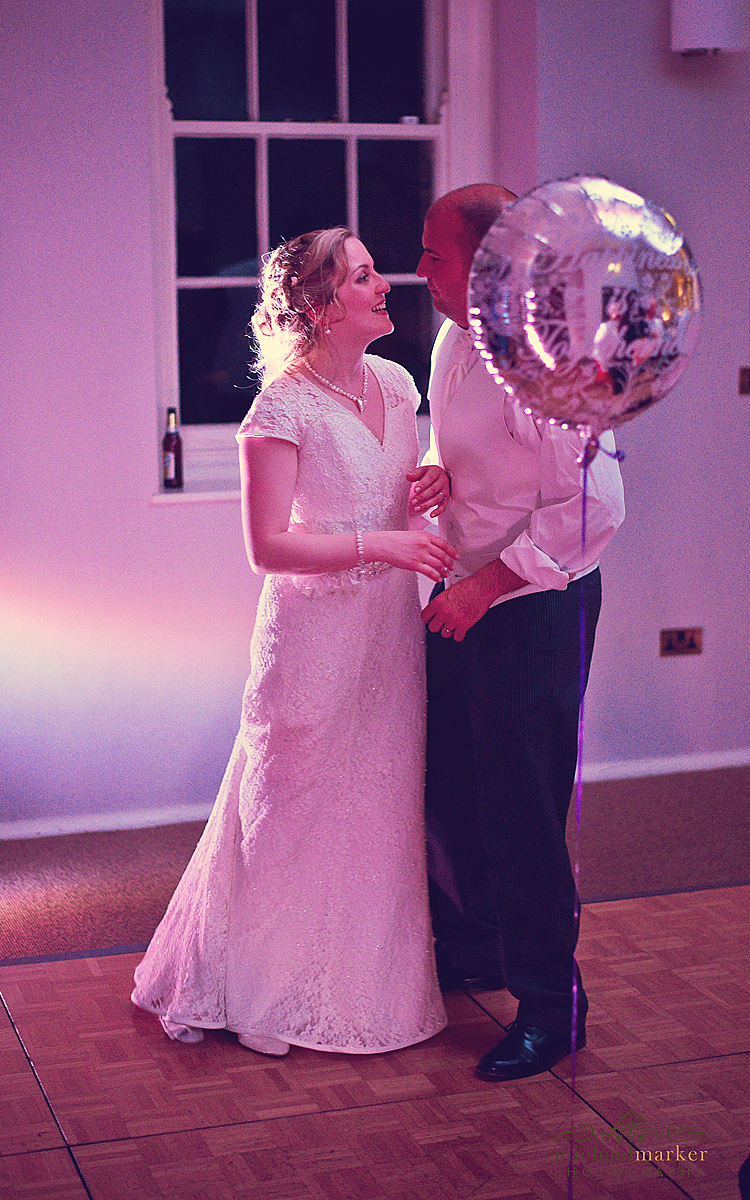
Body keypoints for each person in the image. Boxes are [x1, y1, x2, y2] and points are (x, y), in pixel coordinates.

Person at [132, 227, 457, 1057]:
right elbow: (268, 547)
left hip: (386, 634)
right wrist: (384, 545)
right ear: (318, 307)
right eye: (362, 276)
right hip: (311, 635)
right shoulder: (280, 406)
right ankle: (253, 988)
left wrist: (431, 482)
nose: (385, 283)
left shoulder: (396, 382)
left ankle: (349, 979)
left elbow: (404, 499)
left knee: (375, 803)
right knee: (288, 805)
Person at [416, 185, 626, 1081]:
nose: (416, 267)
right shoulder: (454, 337)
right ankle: (480, 949)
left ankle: (552, 1007)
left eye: (433, 254)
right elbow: (455, 443)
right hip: (460, 591)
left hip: (535, 603)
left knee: (522, 807)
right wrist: (433, 475)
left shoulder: (551, 360)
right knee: (454, 788)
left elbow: (595, 510)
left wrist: (488, 586)